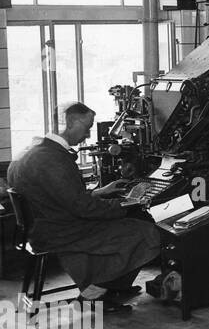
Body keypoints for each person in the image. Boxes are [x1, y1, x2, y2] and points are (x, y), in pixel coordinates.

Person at [7, 101, 159, 311]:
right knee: (146, 231)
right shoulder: (52, 159)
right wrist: (128, 203)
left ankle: (113, 287)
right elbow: (83, 208)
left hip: (43, 227)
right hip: (61, 232)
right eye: (87, 127)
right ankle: (93, 295)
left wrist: (99, 193)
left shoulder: (32, 151)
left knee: (130, 224)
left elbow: (56, 197)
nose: (88, 135)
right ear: (71, 122)